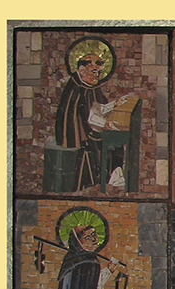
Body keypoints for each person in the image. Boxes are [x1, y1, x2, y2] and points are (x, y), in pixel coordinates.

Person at [54, 38, 128, 191]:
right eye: (94, 72)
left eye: (99, 73)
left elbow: (100, 107)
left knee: (116, 143)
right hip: (81, 134)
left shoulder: (92, 87)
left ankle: (113, 178)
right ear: (81, 70)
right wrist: (98, 126)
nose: (97, 76)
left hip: (93, 127)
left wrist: (113, 106)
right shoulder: (75, 88)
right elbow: (76, 117)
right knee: (102, 142)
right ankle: (97, 183)